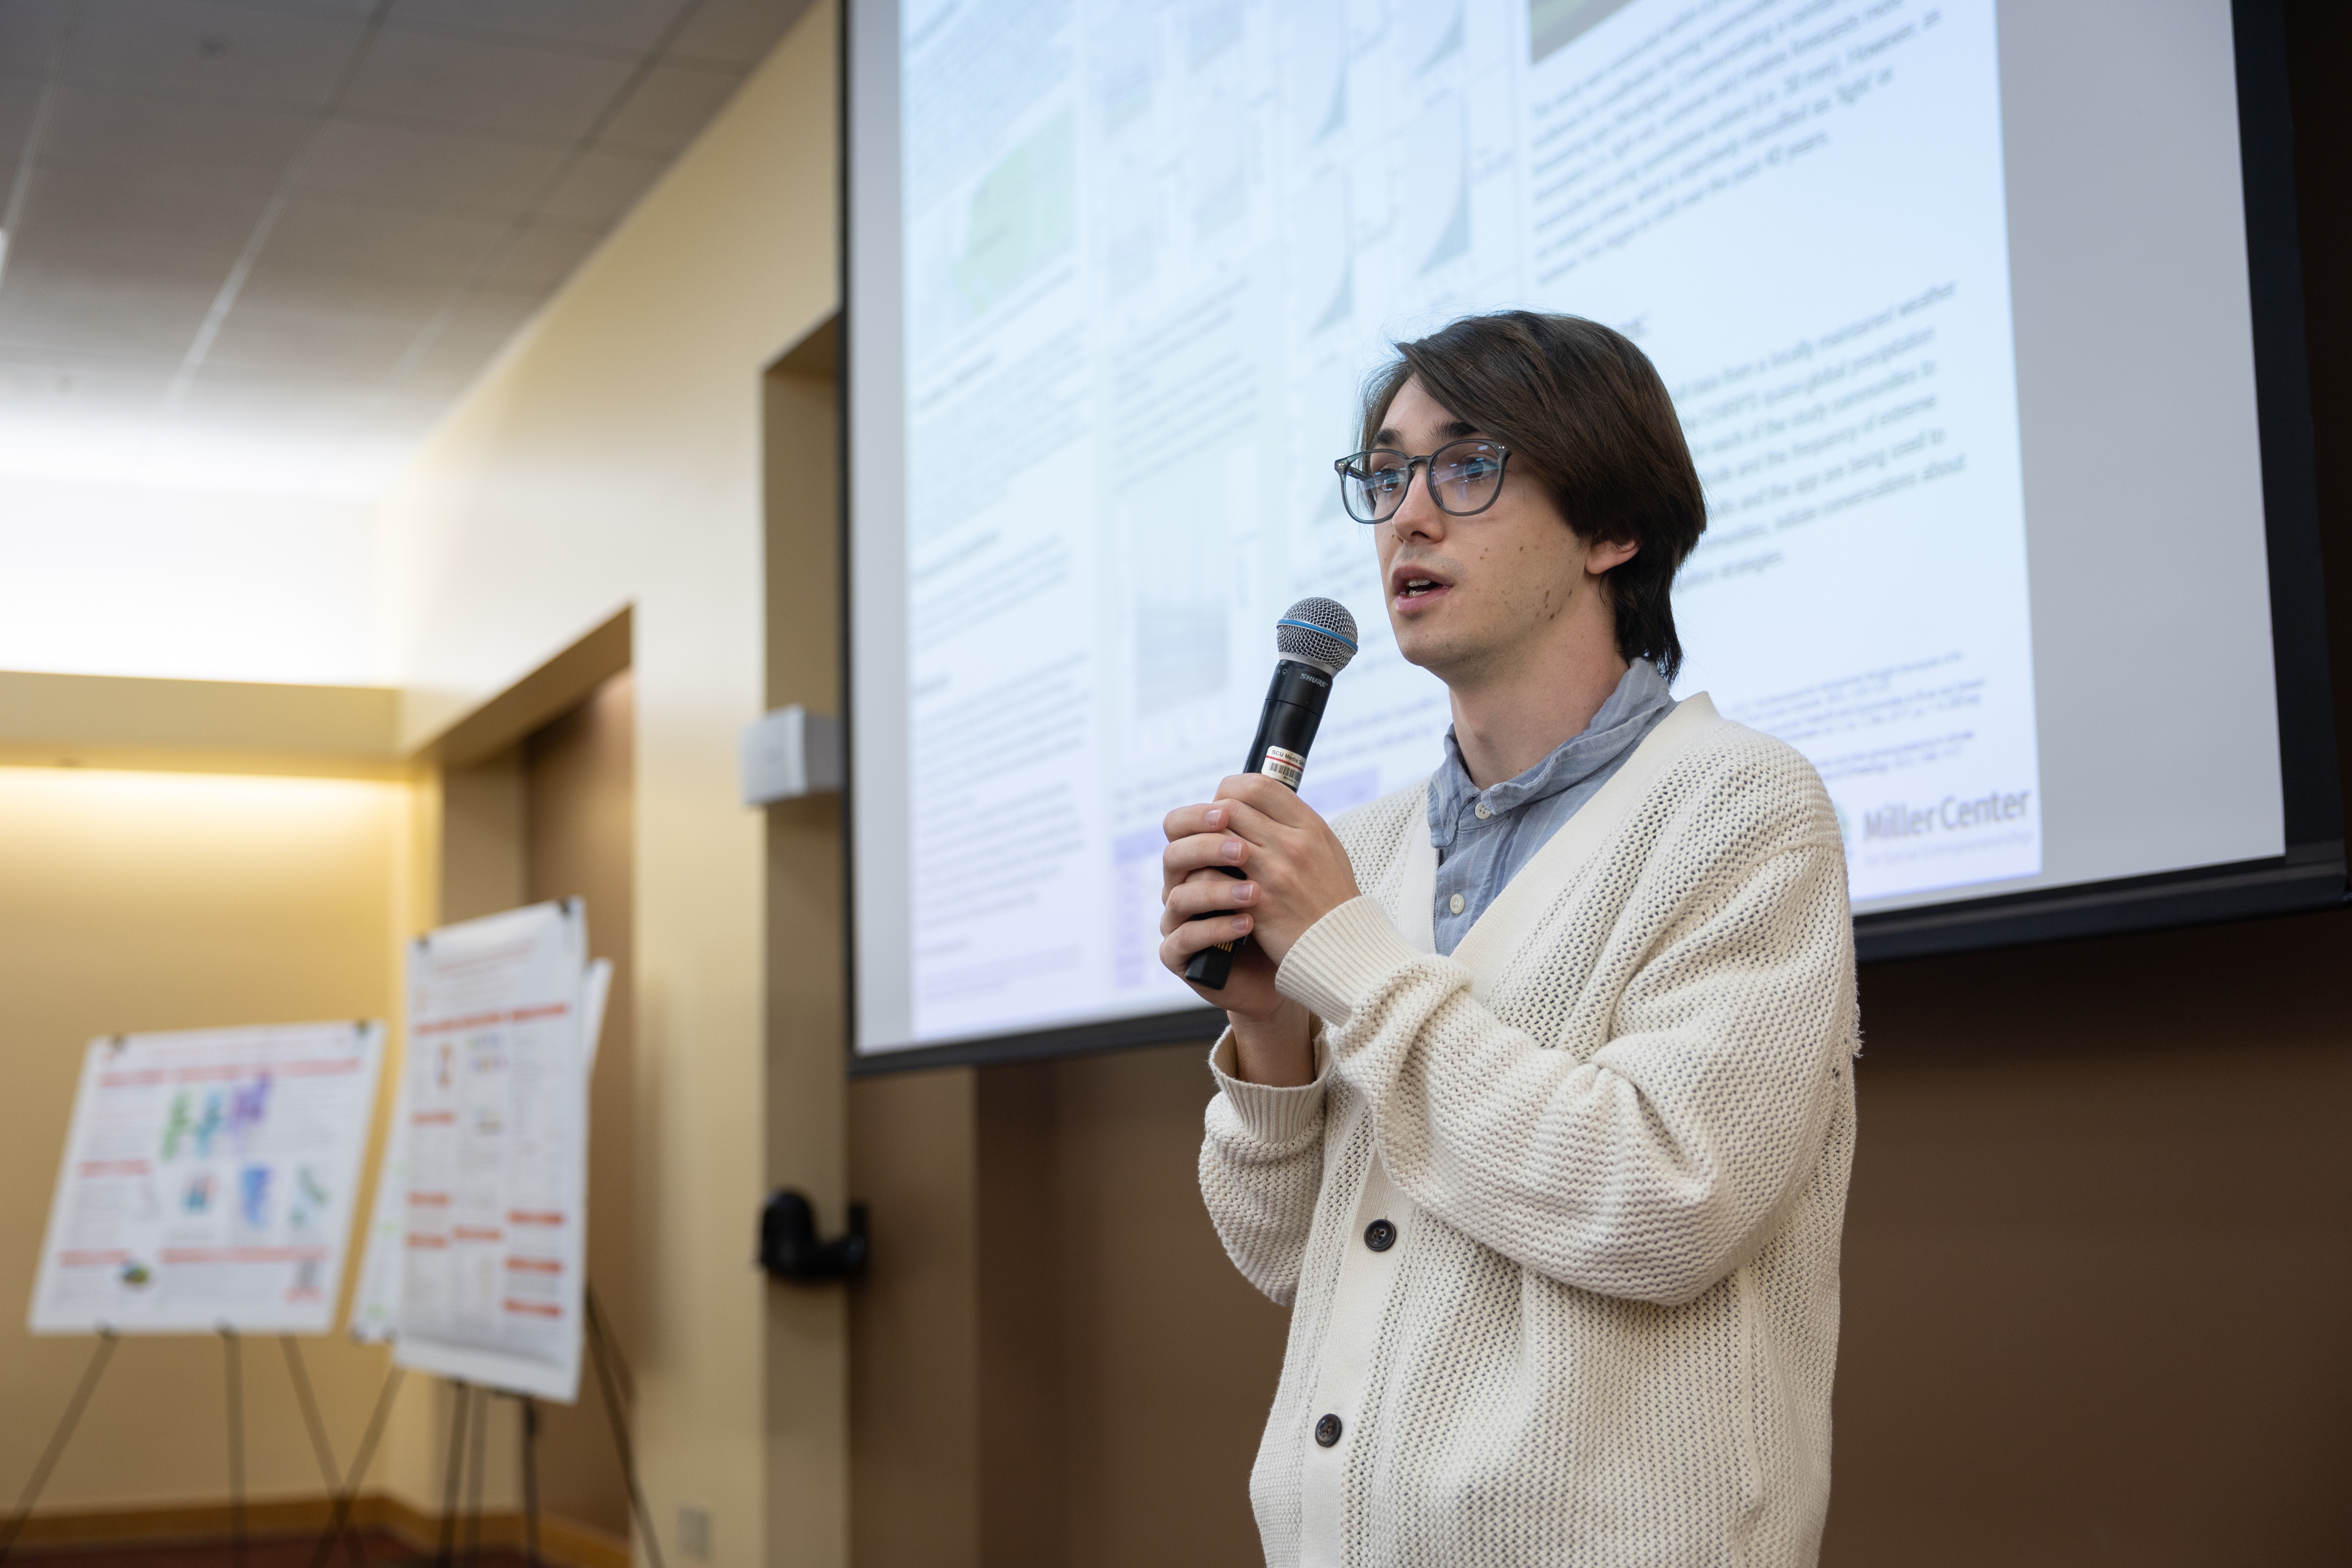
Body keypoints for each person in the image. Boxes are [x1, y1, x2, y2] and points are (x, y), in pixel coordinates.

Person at [1161, 310, 1858, 1568]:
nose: (1409, 517)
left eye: (1468, 464)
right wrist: (1270, 1030)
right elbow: (1291, 1258)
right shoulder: (1367, 849)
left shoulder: (1745, 808)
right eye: (1386, 472)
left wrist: (1353, 964)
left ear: (1613, 528)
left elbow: (1668, 1200)